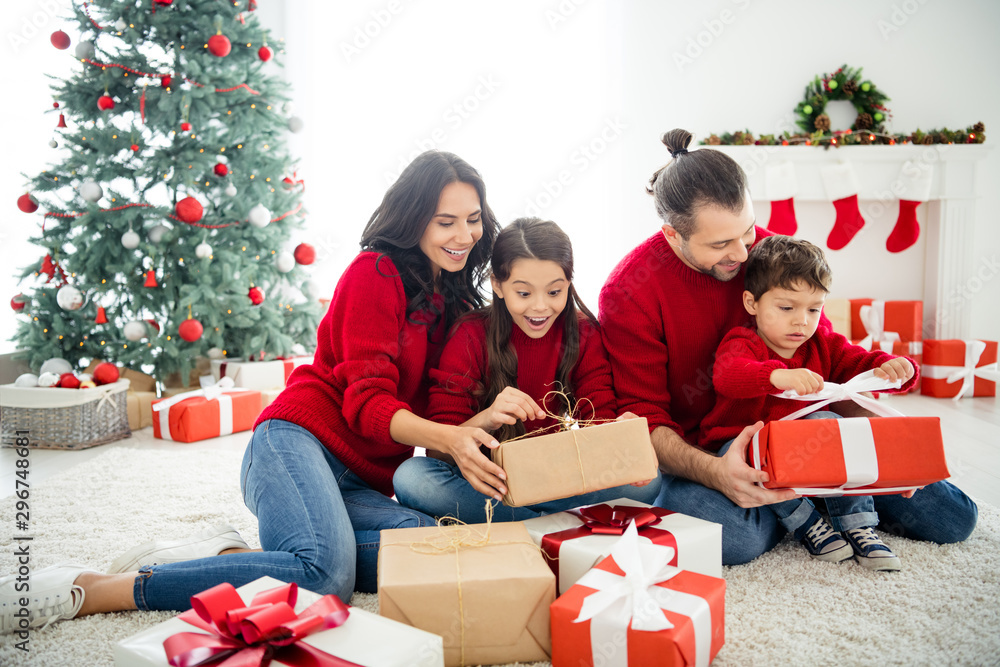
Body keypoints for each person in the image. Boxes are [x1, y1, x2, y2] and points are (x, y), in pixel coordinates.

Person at [0, 150, 509, 632]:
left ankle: (228, 557)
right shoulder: (373, 273)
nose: (464, 234)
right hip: (296, 443)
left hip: (360, 480)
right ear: (413, 218)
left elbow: (437, 414)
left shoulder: (455, 298)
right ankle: (99, 589)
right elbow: (369, 403)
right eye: (447, 222)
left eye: (472, 219)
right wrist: (449, 439)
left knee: (438, 543)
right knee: (325, 577)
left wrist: (475, 425)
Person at [598, 128, 977, 565]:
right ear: (672, 235)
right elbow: (646, 422)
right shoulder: (629, 292)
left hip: (808, 436)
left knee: (953, 520)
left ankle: (815, 503)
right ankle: (812, 507)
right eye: (721, 244)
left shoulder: (769, 253)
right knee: (731, 539)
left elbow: (828, 356)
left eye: (746, 230)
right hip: (715, 449)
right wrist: (718, 473)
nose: (742, 254)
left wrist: (883, 443)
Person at [394, 217, 661, 523]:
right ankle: (555, 522)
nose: (539, 307)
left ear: (568, 286)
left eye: (554, 292)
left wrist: (620, 437)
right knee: (412, 477)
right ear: (498, 285)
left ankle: (526, 523)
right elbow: (440, 452)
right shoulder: (470, 334)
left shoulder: (584, 333)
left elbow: (597, 420)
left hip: (562, 482)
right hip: (493, 484)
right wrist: (489, 417)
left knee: (650, 480)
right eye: (523, 293)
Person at [700, 234, 918, 571]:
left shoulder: (822, 343)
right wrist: (776, 376)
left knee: (842, 426)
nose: (802, 320)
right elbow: (728, 375)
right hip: (740, 447)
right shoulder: (742, 341)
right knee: (821, 422)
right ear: (752, 303)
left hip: (802, 454)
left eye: (814, 308)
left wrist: (896, 368)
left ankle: (858, 524)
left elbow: (861, 364)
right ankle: (806, 524)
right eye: (786, 308)